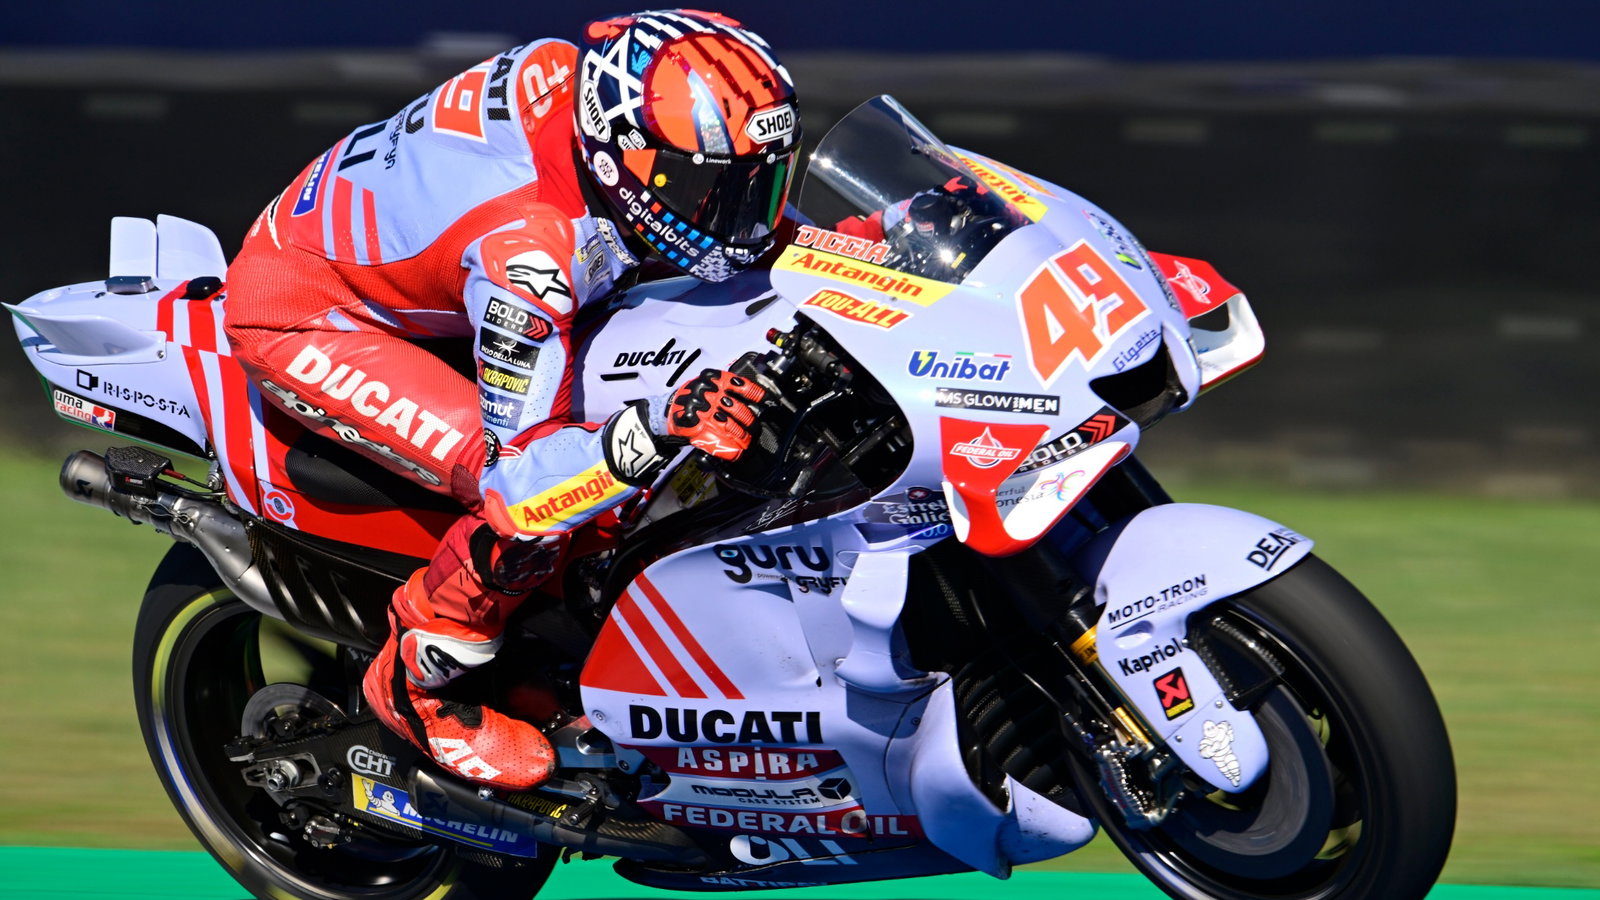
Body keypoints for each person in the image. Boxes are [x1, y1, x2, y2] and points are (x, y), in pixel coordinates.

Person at [222, 9, 801, 791]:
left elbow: (766, 237)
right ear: (620, 155)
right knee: (544, 495)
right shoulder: (530, 261)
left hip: (429, 256)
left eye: (758, 185)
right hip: (309, 314)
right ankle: (416, 684)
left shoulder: (593, 103)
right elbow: (521, 484)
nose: (736, 221)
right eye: (706, 190)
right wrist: (661, 425)